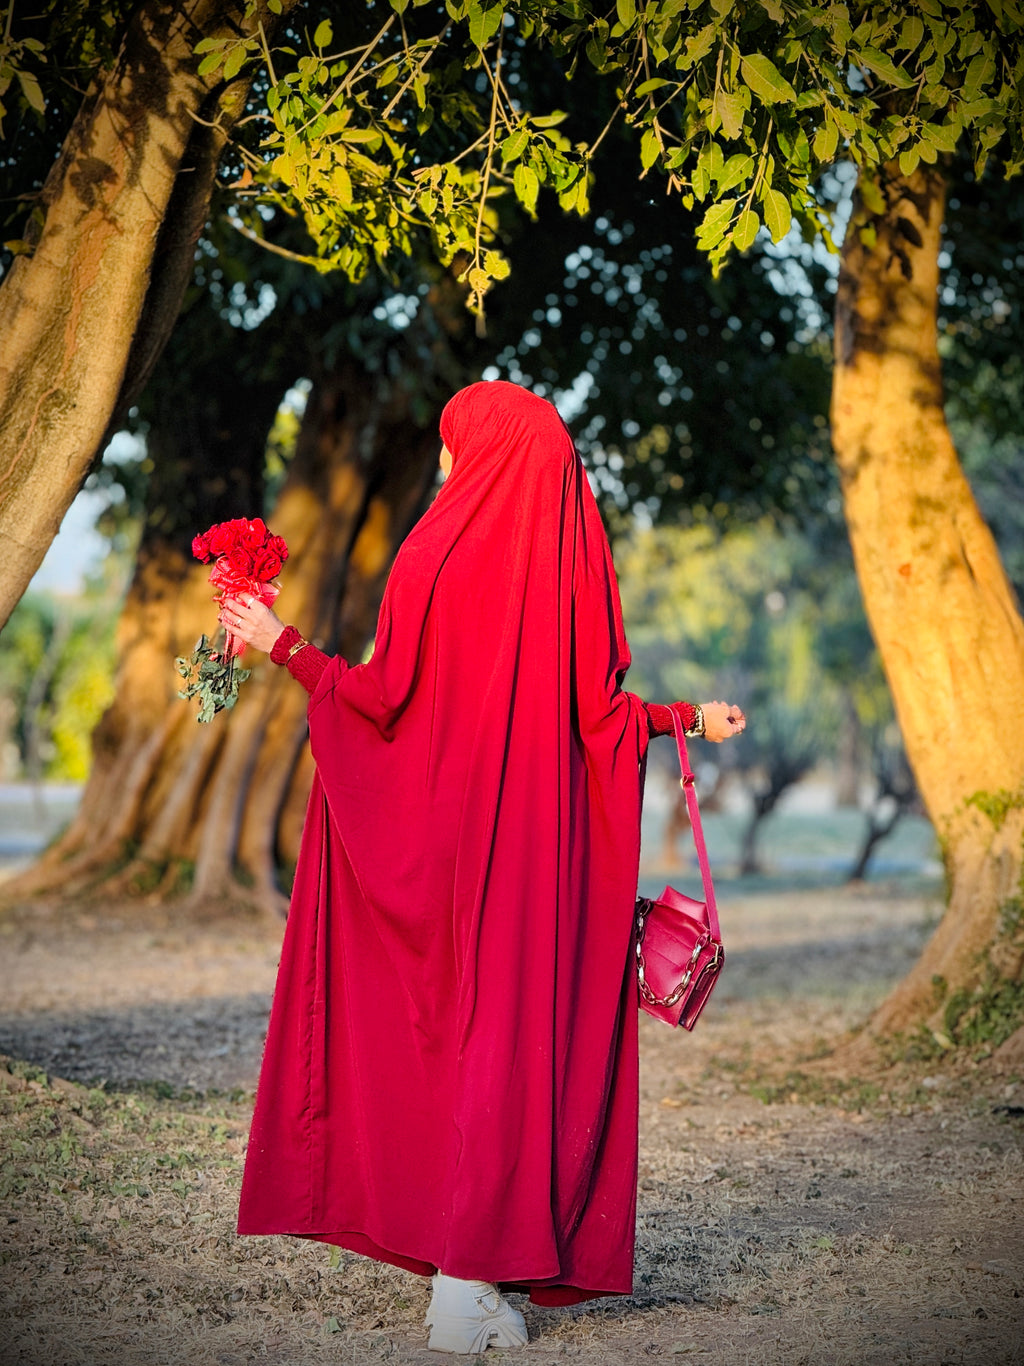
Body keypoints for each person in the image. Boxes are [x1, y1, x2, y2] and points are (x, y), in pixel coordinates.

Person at [221, 380, 745, 1353]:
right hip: (538, 866)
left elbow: (380, 700)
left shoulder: (432, 551)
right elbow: (600, 715)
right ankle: (470, 1279)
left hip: (449, 847)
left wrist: (284, 645)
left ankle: (465, 1283)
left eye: (454, 445)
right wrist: (683, 720)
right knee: (516, 1041)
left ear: (480, 449)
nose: (450, 464)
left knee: (455, 1043)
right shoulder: (571, 565)